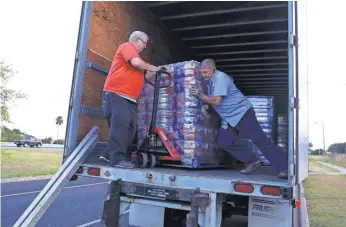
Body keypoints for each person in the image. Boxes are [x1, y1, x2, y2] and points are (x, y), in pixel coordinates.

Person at [188, 58, 288, 179]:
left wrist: (200, 96)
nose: (204, 75)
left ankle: (284, 168)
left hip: (242, 113)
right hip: (229, 118)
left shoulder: (220, 78)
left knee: (260, 140)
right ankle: (252, 161)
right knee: (224, 142)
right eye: (202, 72)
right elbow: (214, 100)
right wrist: (208, 107)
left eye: (206, 72)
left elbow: (217, 101)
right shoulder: (211, 82)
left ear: (213, 69)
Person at [99, 31, 159, 168]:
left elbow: (144, 74)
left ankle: (108, 154)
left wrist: (160, 71)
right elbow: (138, 63)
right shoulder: (127, 47)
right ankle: (117, 159)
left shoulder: (134, 57)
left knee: (131, 130)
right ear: (137, 40)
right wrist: (152, 67)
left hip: (130, 99)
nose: (144, 46)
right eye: (144, 43)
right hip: (117, 95)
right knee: (120, 128)